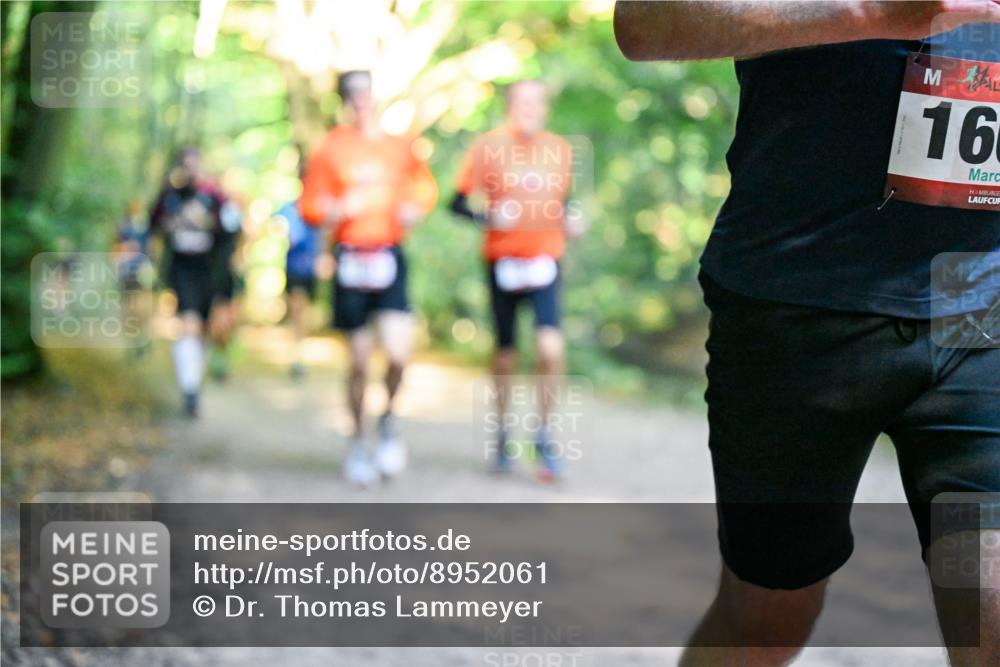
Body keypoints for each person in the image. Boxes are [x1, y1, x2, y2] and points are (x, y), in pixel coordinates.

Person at [615, 2, 1000, 665]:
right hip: (792, 302)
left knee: (990, 602)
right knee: (766, 619)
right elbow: (645, 23)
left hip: (979, 303)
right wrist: (876, 11)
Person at [299, 70, 438, 487]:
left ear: (377, 95)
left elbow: (425, 187)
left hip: (389, 256)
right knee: (358, 362)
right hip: (351, 259)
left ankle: (389, 421)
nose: (361, 99)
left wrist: (415, 207)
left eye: (366, 91)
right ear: (344, 100)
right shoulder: (332, 148)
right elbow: (310, 204)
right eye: (352, 93)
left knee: (398, 354)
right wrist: (334, 209)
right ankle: (358, 442)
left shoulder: (400, 146)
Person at [450, 79, 583, 481]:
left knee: (550, 348)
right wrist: (488, 217)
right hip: (502, 262)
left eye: (537, 103)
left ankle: (544, 436)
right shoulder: (488, 147)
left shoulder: (558, 149)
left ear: (545, 108)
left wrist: (572, 219)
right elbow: (455, 204)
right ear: (511, 105)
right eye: (523, 102)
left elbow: (564, 201)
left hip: (545, 260)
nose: (531, 109)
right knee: (506, 355)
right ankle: (503, 434)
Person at [149, 146, 233, 418]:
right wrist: (170, 226)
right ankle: (190, 389)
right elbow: (152, 227)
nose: (191, 169)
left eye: (195, 164)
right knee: (189, 325)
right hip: (182, 270)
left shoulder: (215, 197)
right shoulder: (169, 196)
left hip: (210, 271)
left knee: (204, 330)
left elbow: (231, 231)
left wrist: (208, 222)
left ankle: (193, 378)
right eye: (186, 164)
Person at [279, 191, 321, 379]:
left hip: (310, 269)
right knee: (297, 311)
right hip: (295, 269)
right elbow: (280, 229)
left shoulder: (318, 205)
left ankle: (300, 354)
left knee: (303, 313)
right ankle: (297, 356)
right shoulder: (290, 208)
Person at [206, 191, 243, 382]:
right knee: (217, 318)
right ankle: (216, 356)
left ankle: (220, 356)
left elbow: (241, 241)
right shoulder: (211, 214)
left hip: (229, 275)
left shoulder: (236, 216)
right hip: (214, 274)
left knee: (228, 318)